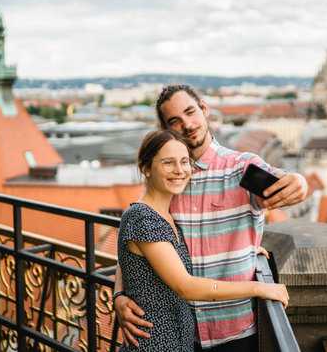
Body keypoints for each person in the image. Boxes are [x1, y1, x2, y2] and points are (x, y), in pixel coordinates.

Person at [114, 85, 308, 351]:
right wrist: (119, 294)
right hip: (182, 332)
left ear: (204, 109)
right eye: (175, 121)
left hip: (234, 331)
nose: (187, 124)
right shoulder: (169, 183)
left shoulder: (241, 167)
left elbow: (284, 182)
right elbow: (135, 247)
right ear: (166, 129)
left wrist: (299, 181)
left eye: (191, 112)